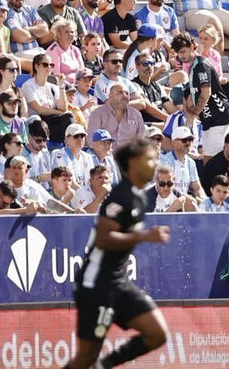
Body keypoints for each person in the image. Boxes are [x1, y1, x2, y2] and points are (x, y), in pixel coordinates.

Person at [65, 137, 170, 369]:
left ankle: (105, 366)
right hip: (97, 284)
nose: (155, 165)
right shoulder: (119, 195)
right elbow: (103, 239)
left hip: (119, 283)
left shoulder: (140, 198)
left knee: (157, 333)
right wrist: (145, 236)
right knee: (85, 358)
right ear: (133, 163)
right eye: (150, 159)